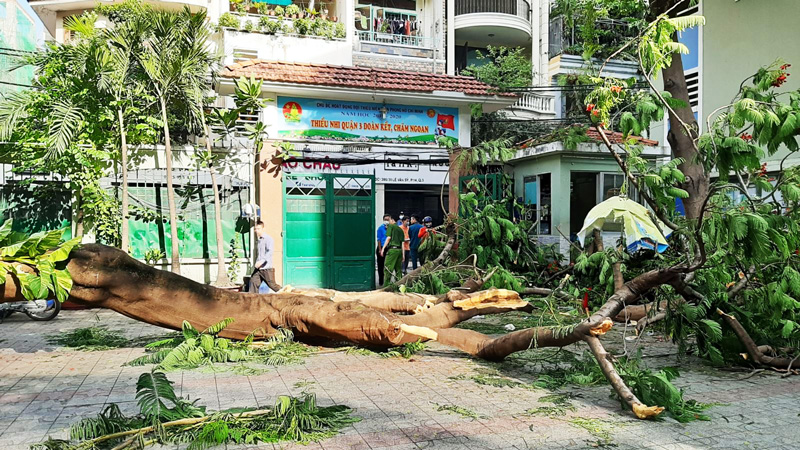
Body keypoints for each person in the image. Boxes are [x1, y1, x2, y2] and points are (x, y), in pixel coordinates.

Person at [249, 220, 282, 293]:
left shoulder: (268, 239)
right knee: (253, 283)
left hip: (266, 268)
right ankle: (253, 302)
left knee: (273, 285)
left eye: (258, 229)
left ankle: (286, 294)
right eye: (255, 229)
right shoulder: (259, 240)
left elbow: (269, 252)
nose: (256, 231)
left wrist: (261, 261)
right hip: (258, 269)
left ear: (263, 229)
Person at [381, 215, 404, 285]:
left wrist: (383, 248)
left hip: (392, 250)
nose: (387, 222)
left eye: (388, 220)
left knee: (388, 268)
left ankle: (387, 286)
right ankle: (399, 285)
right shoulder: (400, 229)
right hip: (399, 250)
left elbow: (388, 238)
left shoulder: (390, 226)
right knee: (398, 270)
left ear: (392, 220)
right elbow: (402, 243)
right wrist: (403, 255)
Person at [376, 214, 391, 287]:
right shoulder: (380, 228)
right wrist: (380, 249)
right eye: (385, 219)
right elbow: (378, 240)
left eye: (388, 219)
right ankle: (381, 281)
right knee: (380, 265)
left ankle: (387, 281)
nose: (386, 221)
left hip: (389, 248)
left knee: (388, 265)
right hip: (381, 247)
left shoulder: (391, 228)